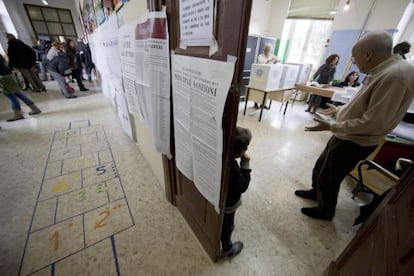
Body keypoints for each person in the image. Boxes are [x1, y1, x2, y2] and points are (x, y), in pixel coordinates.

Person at [294, 31, 414, 221]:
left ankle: (325, 211)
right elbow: (365, 103)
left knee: (330, 176)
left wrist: (331, 126)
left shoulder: (395, 76)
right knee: (321, 167)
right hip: (347, 133)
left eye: (355, 58)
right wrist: (340, 110)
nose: (354, 62)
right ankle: (316, 193)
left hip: (357, 139)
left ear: (368, 54)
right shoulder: (382, 70)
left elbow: (373, 123)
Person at [221, 126, 252, 257]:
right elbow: (242, 186)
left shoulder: (221, 157)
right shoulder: (233, 169)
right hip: (229, 204)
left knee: (220, 220)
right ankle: (228, 248)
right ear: (240, 152)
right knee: (228, 226)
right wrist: (245, 165)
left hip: (217, 200)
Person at [0, 55, 41, 121]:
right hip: (9, 74)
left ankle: (18, 114)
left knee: (10, 96)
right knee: (18, 93)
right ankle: (35, 108)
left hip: (3, 77)